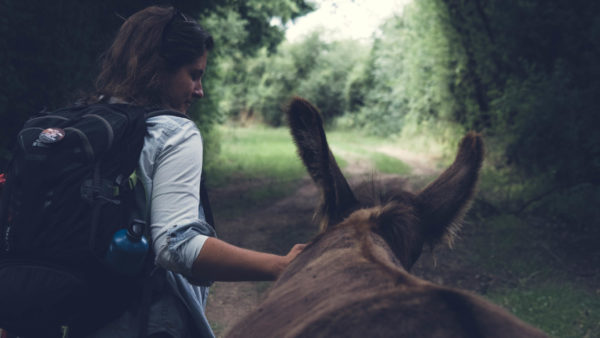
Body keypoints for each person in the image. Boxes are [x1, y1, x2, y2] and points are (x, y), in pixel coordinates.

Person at [85, 6, 305, 337]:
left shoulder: (89, 122)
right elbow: (176, 245)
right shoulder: (172, 131)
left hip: (83, 316)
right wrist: (280, 266)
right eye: (194, 74)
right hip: (148, 319)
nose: (199, 90)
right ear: (158, 70)